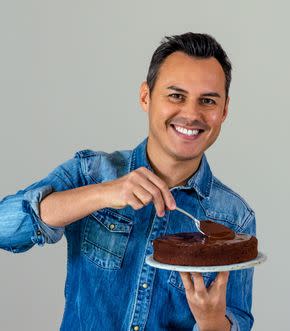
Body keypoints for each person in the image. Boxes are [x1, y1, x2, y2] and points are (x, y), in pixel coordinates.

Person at [0, 32, 255, 331]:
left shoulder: (234, 217)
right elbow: (5, 228)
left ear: (223, 111)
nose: (191, 114)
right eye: (176, 95)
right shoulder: (91, 173)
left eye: (208, 101)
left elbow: (238, 320)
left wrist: (212, 322)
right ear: (145, 96)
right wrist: (103, 194)